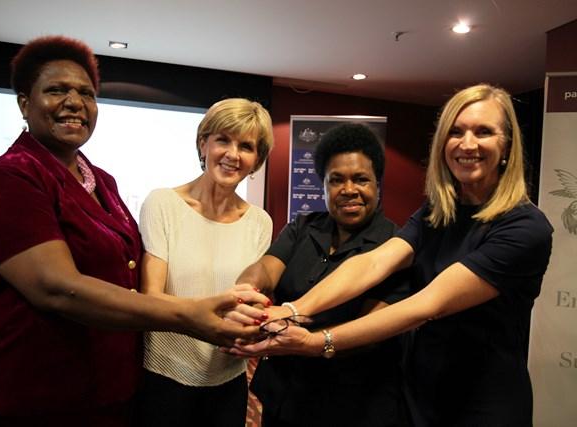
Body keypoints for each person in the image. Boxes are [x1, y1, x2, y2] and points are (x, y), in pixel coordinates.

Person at [0, 36, 267, 427]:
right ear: (23, 103)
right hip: (27, 392)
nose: (74, 102)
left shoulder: (101, 181)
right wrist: (189, 314)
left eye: (86, 93)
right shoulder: (11, 176)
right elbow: (55, 287)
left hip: (105, 388)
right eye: (56, 90)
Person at [231, 84, 553, 427]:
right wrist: (296, 309)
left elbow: (427, 306)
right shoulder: (438, 212)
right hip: (421, 391)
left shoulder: (525, 228)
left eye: (484, 131)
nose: (467, 143)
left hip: (481, 400)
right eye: (456, 132)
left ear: (507, 146)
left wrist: (316, 342)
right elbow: (374, 262)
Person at [233, 123, 411, 427]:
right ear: (324, 185)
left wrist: (304, 339)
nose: (349, 190)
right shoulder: (303, 226)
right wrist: (247, 288)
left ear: (377, 184)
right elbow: (267, 267)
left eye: (361, 179)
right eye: (336, 180)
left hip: (355, 405)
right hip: (286, 395)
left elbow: (371, 331)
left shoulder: (395, 247)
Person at [133, 98, 274, 427]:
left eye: (246, 146)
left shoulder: (260, 223)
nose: (232, 154)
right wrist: (214, 316)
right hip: (164, 373)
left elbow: (248, 302)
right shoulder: (163, 204)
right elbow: (151, 298)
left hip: (228, 380)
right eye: (223, 140)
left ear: (257, 160)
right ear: (203, 144)